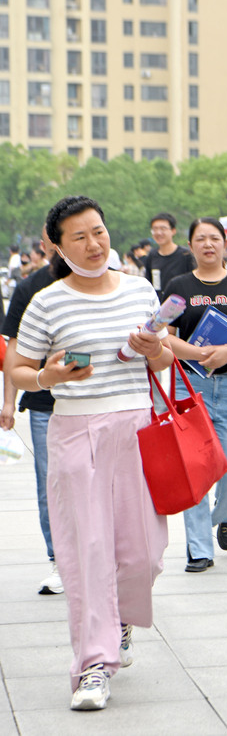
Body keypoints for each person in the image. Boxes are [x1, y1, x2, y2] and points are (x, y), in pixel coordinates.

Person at [7, 196, 173, 711]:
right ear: (57, 246)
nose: (93, 244)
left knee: (143, 553)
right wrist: (47, 377)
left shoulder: (141, 289)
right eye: (78, 237)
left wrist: (155, 350)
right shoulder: (47, 300)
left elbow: (164, 357)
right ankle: (92, 665)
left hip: (137, 427)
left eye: (98, 232)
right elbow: (18, 368)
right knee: (88, 550)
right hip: (76, 430)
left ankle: (120, 619)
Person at [163, 219, 227, 573]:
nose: (208, 244)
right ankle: (199, 549)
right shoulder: (179, 287)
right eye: (200, 239)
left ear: (225, 244)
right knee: (194, 469)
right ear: (190, 246)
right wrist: (195, 354)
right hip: (189, 386)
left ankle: (223, 514)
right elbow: (164, 333)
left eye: (214, 238)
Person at [1, 227, 60, 594]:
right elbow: (14, 355)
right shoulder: (28, 289)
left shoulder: (110, 285)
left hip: (99, 403)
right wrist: (8, 403)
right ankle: (59, 560)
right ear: (47, 245)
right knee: (50, 483)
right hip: (44, 404)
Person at [143, 212, 196, 301]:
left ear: (173, 231)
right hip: (159, 307)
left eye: (163, 229)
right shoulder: (152, 256)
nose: (158, 233)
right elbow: (149, 284)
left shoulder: (185, 255)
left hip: (181, 305)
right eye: (155, 229)